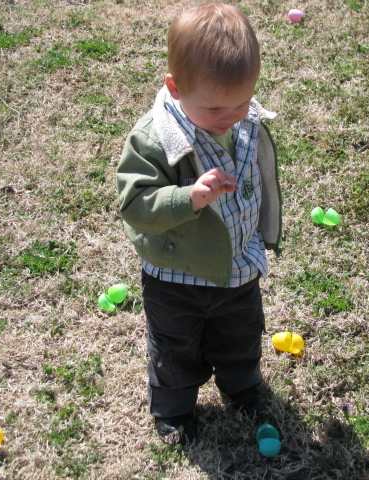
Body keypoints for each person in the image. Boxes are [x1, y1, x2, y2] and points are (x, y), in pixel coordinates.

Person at [116, 3, 282, 445]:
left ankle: (242, 386)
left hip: (238, 266)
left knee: (241, 337)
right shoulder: (153, 139)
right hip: (177, 277)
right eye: (213, 108)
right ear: (175, 87)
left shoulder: (244, 122)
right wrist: (188, 197)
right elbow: (134, 204)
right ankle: (174, 409)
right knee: (175, 349)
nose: (229, 116)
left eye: (242, 101)